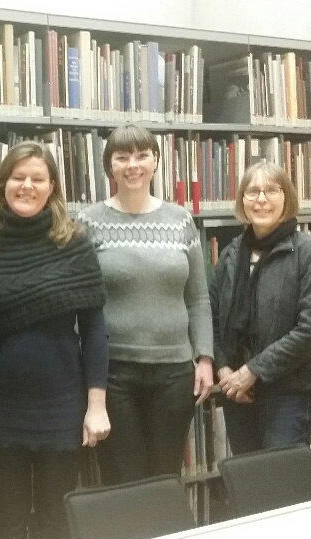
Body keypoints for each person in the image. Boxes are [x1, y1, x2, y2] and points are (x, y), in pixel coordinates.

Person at [0, 141, 110, 539]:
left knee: (55, 520)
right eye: (18, 177)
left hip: (61, 407)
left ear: (52, 187)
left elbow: (95, 331)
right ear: (2, 184)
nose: (27, 186)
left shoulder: (74, 244)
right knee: (7, 521)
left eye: (37, 179)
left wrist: (96, 406)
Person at [77, 124, 214, 483]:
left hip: (175, 373)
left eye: (141, 155)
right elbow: (79, 302)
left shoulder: (180, 220)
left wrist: (204, 357)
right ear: (109, 166)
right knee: (124, 478)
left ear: (156, 161)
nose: (132, 165)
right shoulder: (88, 222)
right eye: (122, 157)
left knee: (165, 476)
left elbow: (198, 297)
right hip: (113, 373)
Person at [209, 160, 311, 454]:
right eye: (252, 192)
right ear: (242, 201)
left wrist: (253, 370)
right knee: (248, 476)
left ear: (286, 197)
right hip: (238, 393)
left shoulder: (309, 253)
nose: (261, 199)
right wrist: (224, 371)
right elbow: (212, 318)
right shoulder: (230, 255)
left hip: (289, 393)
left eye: (271, 191)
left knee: (280, 477)